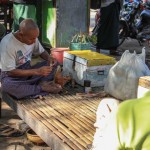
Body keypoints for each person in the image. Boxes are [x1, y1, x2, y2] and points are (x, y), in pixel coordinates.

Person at [0, 18, 62, 99]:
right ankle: (41, 88)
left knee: (54, 64)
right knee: (7, 86)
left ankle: (40, 84)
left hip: (28, 72)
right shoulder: (7, 44)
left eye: (35, 38)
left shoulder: (33, 38)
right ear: (21, 35)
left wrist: (49, 58)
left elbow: (42, 52)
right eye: (32, 39)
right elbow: (11, 72)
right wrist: (37, 71)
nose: (34, 41)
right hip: (12, 76)